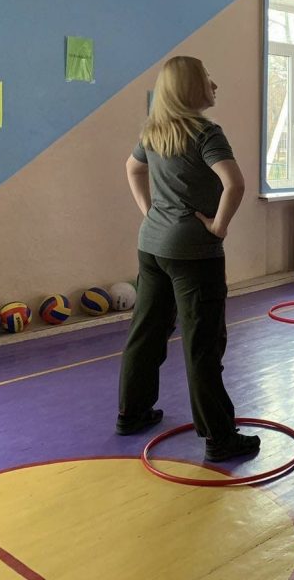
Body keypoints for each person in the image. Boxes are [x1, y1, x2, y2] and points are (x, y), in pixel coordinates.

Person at [117, 56, 258, 462]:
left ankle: (132, 414)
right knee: (203, 344)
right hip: (194, 252)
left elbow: (132, 169)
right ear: (191, 86)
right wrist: (218, 227)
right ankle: (220, 437)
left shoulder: (155, 130)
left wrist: (149, 213)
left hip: (152, 246)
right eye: (207, 78)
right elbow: (235, 184)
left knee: (146, 332)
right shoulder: (205, 132)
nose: (215, 85)